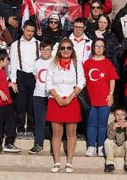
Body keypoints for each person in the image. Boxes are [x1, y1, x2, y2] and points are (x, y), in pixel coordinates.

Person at [45, 38, 86, 173]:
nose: (66, 50)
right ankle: (56, 161)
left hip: (71, 100)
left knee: (71, 133)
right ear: (59, 49)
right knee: (56, 133)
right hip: (55, 100)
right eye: (63, 48)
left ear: (72, 49)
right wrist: (57, 97)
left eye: (69, 48)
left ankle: (69, 161)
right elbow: (48, 83)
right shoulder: (52, 64)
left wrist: (69, 98)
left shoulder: (76, 64)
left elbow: (81, 82)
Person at [83, 38, 119, 157]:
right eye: (96, 46)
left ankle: (100, 146)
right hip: (90, 99)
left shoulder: (108, 63)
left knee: (102, 123)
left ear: (104, 49)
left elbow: (112, 79)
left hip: (104, 98)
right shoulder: (87, 63)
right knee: (91, 123)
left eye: (101, 46)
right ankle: (91, 146)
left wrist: (111, 94)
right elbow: (83, 80)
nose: (99, 48)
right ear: (93, 47)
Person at [0, 49, 21, 154]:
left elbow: (1, 83)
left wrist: (9, 84)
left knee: (11, 123)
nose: (8, 61)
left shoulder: (2, 71)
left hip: (7, 103)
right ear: (1, 60)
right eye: (7, 59)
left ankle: (9, 143)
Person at [9, 20, 40, 137]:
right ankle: (20, 127)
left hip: (33, 76)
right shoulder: (15, 44)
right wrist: (13, 81)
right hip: (20, 74)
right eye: (28, 31)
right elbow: (13, 64)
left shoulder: (38, 43)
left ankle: (31, 128)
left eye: (32, 31)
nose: (30, 33)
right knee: (20, 104)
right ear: (23, 29)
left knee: (32, 103)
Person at [29, 40, 54, 155]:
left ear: (51, 50)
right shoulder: (37, 62)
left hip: (52, 96)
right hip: (38, 95)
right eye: (43, 50)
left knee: (54, 121)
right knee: (39, 122)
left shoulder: (54, 62)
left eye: (48, 50)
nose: (45, 52)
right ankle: (38, 144)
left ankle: (54, 145)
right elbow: (36, 76)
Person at [104, 106, 127, 173]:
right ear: (114, 115)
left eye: (122, 115)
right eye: (117, 115)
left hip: (124, 149)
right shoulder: (111, 124)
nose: (120, 117)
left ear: (125, 115)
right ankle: (110, 164)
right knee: (107, 141)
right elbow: (109, 137)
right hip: (114, 149)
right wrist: (114, 128)